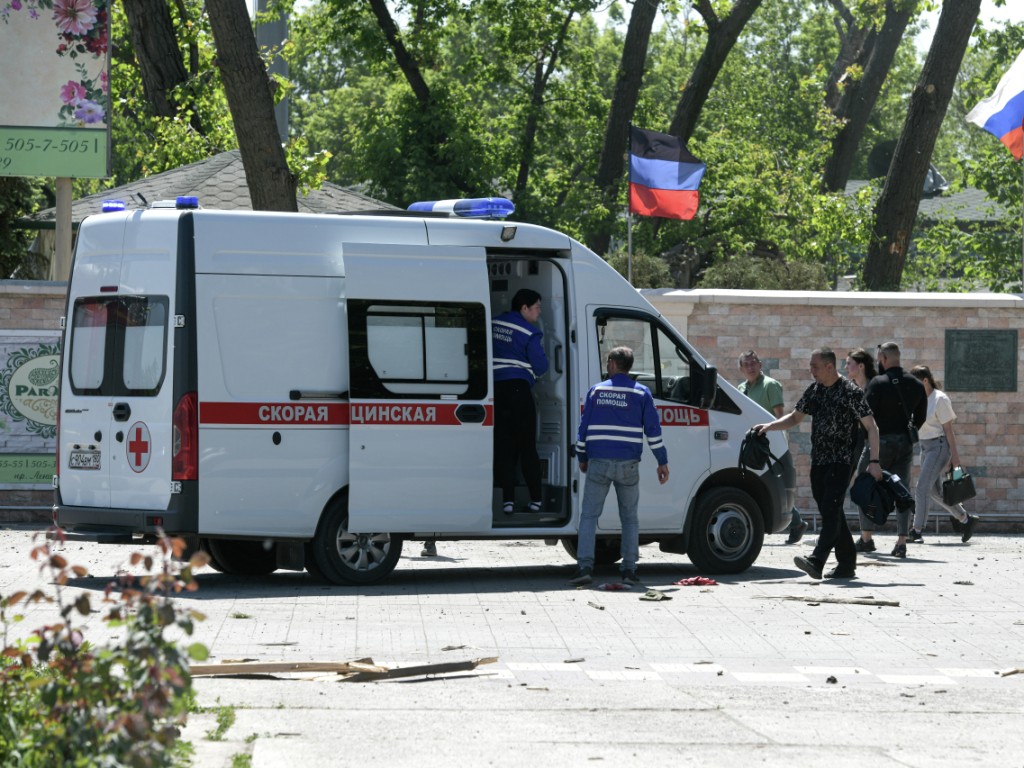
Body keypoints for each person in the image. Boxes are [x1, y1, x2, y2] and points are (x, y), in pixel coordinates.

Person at [754, 347, 881, 581]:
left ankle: (817, 560)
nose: (811, 370)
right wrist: (769, 426)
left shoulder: (850, 392)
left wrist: (874, 461)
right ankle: (847, 563)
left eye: (814, 366)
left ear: (829, 367)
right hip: (820, 459)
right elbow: (794, 417)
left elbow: (871, 427)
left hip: (842, 460)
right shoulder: (815, 390)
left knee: (831, 508)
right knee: (830, 509)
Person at [569, 347, 669, 587]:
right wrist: (662, 461)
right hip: (628, 465)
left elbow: (584, 429)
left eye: (608, 361)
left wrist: (582, 455)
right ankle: (629, 570)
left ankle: (584, 566)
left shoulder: (596, 390)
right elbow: (653, 432)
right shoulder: (642, 393)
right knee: (630, 518)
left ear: (613, 363)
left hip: (599, 462)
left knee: (589, 516)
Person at [856, 342, 926, 559]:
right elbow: (921, 417)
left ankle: (867, 538)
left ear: (884, 359)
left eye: (879, 359)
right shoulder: (916, 384)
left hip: (880, 443)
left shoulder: (877, 383)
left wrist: (867, 440)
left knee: (865, 484)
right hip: (904, 443)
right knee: (902, 490)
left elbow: (864, 416)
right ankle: (902, 542)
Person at [737, 350, 806, 544]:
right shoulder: (741, 388)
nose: (750, 367)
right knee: (759, 481)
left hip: (769, 443)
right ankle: (797, 522)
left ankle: (796, 522)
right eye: (746, 364)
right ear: (741, 369)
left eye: (753, 363)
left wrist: (776, 440)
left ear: (760, 364)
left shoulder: (770, 385)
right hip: (752, 442)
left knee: (771, 482)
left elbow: (780, 416)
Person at [492, 289, 549, 515]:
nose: (540, 311)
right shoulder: (530, 332)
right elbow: (541, 367)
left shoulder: (494, 323)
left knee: (504, 447)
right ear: (524, 308)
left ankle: (507, 500)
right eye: (537, 307)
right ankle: (535, 499)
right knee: (527, 447)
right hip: (519, 391)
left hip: (496, 393)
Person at [908, 365, 980, 543]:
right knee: (935, 492)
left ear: (925, 380)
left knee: (922, 487)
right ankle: (966, 519)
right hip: (925, 447)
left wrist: (955, 458)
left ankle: (917, 530)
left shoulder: (940, 399)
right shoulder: (916, 399)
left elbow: (949, 430)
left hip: (939, 446)